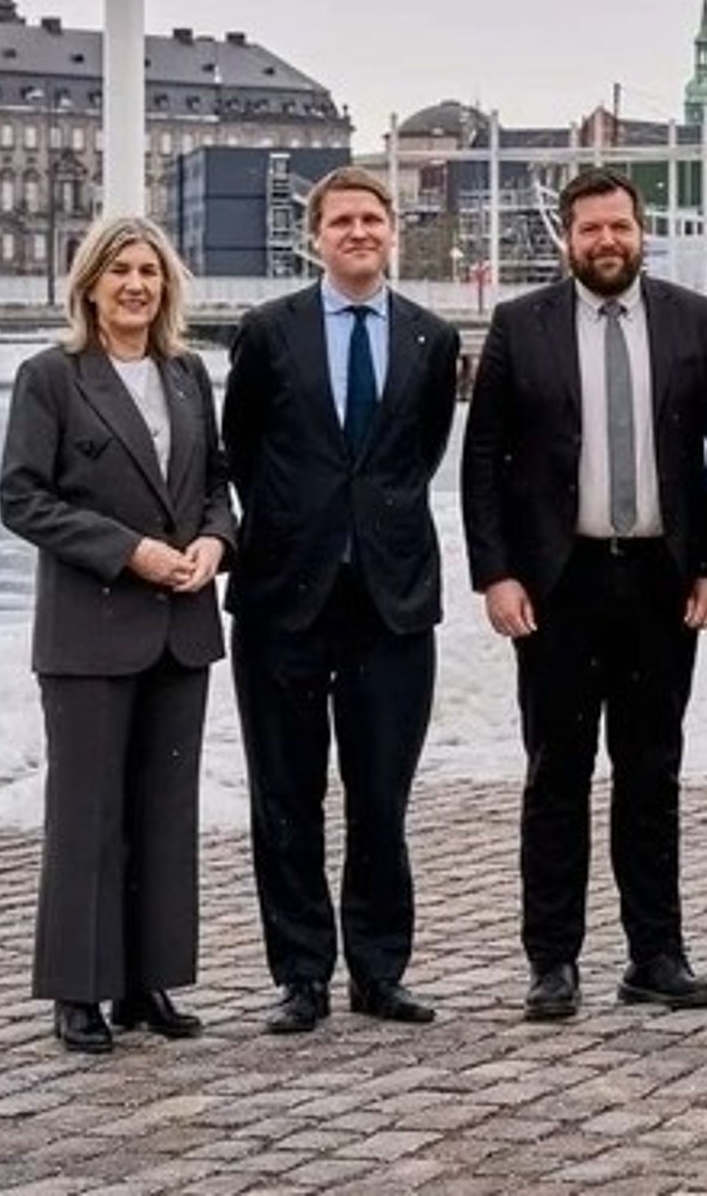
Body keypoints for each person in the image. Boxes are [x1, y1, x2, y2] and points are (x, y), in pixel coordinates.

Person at [461, 169, 707, 1022]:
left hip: (661, 580)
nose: (606, 242)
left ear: (640, 231)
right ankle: (553, 960)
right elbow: (482, 459)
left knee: (653, 771)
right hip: (559, 582)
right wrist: (496, 572)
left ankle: (656, 953)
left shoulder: (694, 321)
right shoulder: (520, 325)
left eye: (619, 226)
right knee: (557, 773)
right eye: (590, 230)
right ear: (568, 238)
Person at [223, 165, 461, 1034]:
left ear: (392, 230)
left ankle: (379, 969)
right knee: (285, 795)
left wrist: (370, 526)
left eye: (372, 219)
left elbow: (420, 451)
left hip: (391, 598)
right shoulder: (269, 332)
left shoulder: (432, 338)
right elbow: (241, 447)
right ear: (315, 236)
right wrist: (300, 526)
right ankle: (301, 974)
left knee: (381, 796)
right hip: (284, 594)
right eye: (341, 221)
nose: (358, 232)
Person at [0, 216, 232, 1053]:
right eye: (121, 270)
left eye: (151, 272)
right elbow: (22, 497)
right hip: (90, 628)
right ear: (90, 284)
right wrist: (128, 550)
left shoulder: (187, 373)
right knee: (86, 814)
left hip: (181, 626)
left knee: (165, 812)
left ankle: (147, 982)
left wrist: (216, 541)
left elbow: (215, 482)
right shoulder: (51, 377)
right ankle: (78, 989)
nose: (137, 285)